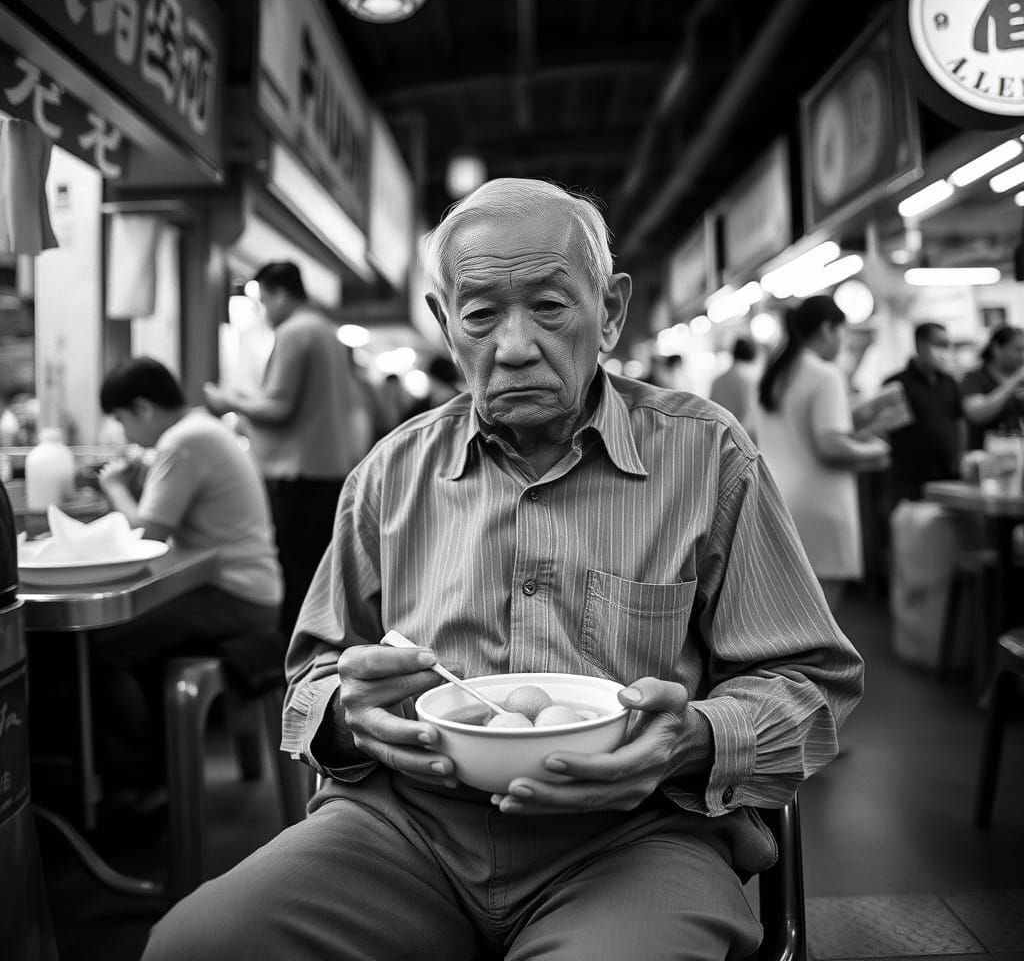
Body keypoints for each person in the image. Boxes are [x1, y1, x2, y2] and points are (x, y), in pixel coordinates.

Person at [144, 179, 864, 961]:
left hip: (635, 835)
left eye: (551, 308)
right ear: (444, 323)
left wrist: (688, 738)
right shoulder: (389, 476)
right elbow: (313, 673)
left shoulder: (708, 457)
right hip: (404, 831)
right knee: (196, 943)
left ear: (611, 311)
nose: (514, 346)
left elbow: (810, 680)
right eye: (481, 313)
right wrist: (353, 717)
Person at [93, 358, 282, 801]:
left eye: (121, 420)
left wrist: (115, 487)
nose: (123, 434)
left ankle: (139, 787)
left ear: (142, 408)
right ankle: (151, 775)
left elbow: (147, 535)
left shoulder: (184, 441)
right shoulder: (205, 430)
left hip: (235, 595)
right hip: (253, 591)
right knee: (127, 641)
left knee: (105, 649)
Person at [203, 261, 361, 638]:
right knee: (315, 576)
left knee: (294, 577)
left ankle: (293, 668)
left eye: (264, 301)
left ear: (279, 294)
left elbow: (278, 407)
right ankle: (317, 656)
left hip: (297, 475)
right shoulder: (326, 329)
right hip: (327, 472)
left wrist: (229, 400)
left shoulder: (295, 331)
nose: (265, 312)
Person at [754, 296, 889, 612]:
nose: (843, 342)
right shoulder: (825, 375)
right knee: (818, 620)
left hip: (777, 501)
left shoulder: (774, 373)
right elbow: (829, 445)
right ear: (828, 329)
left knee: (786, 615)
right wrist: (875, 451)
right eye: (843, 332)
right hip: (821, 507)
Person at [882, 322, 963, 506]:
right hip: (909, 481)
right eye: (938, 344)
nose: (944, 350)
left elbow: (959, 420)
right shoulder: (896, 384)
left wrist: (960, 455)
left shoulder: (949, 382)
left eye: (946, 344)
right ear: (920, 344)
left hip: (947, 477)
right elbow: (882, 430)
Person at [960, 323, 1024, 449]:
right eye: (1018, 350)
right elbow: (976, 413)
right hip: (985, 457)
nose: (1023, 356)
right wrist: (1013, 382)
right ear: (997, 348)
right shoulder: (975, 378)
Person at [708, 336, 757, 430]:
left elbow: (710, 410)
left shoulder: (717, 381)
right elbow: (748, 415)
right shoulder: (747, 381)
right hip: (740, 436)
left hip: (719, 434)